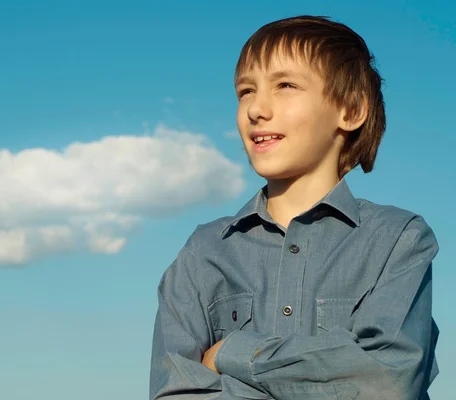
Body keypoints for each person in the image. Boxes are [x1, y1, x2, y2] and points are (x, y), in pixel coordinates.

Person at [149, 15, 440, 400]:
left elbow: (386, 381)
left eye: (285, 85)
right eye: (246, 91)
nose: (256, 109)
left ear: (351, 110)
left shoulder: (398, 240)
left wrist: (232, 353)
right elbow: (175, 392)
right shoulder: (203, 251)